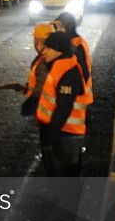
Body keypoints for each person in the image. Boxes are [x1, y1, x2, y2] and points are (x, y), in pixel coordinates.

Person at [35, 30, 87, 176]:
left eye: (48, 48)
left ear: (59, 50)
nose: (43, 52)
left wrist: (50, 135)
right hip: (60, 133)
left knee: (64, 181)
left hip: (66, 135)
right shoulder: (59, 66)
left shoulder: (68, 72)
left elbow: (64, 107)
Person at [53, 12, 93, 107]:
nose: (56, 30)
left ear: (65, 27)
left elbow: (83, 72)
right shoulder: (72, 43)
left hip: (77, 99)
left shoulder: (76, 46)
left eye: (57, 27)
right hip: (73, 96)